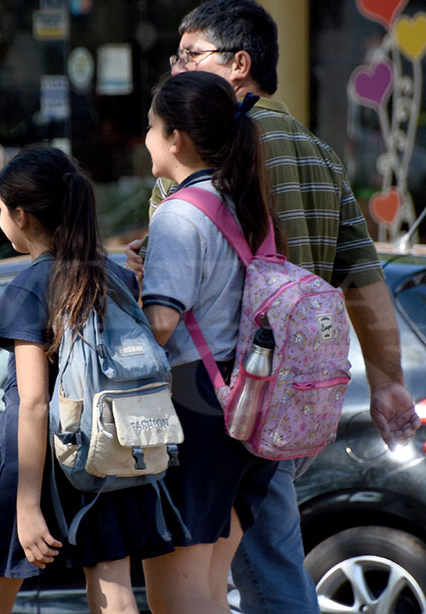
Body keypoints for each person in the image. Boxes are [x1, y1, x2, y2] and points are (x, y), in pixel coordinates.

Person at [126, 2, 420, 612]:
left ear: (239, 65)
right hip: (294, 395)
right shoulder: (318, 152)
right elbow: (362, 275)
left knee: (245, 576)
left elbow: (175, 299)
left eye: (189, 56)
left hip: (226, 398)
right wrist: (387, 381)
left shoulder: (202, 153)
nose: (177, 68)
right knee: (257, 566)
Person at [0, 146, 175, 614]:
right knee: (115, 597)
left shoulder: (29, 287)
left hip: (35, 464)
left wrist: (26, 505)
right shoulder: (114, 276)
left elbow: (34, 404)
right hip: (106, 453)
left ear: (21, 215)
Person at [138, 70, 280, 614]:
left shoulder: (177, 214)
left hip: (194, 405)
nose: (146, 138)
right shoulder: (245, 203)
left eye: (151, 127)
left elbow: (160, 327)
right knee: (211, 590)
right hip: (247, 400)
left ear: (175, 137)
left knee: (176, 597)